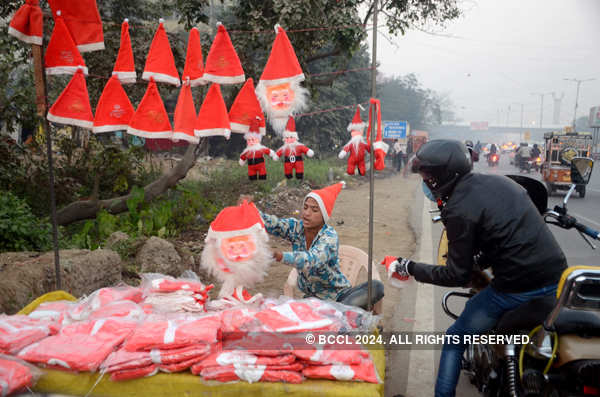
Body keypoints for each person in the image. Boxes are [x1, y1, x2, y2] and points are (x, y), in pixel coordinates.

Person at [384, 140, 567, 397]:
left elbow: (456, 275)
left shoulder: (458, 209)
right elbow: (502, 236)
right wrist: (479, 261)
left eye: (427, 176)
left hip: (517, 288)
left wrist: (410, 267)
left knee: (454, 339)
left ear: (442, 176)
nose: (425, 182)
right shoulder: (501, 182)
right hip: (558, 278)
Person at [249, 183, 384, 311]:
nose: (306, 213)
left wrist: (280, 256)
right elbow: (273, 223)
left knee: (376, 287)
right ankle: (341, 316)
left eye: (314, 210)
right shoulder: (296, 228)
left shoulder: (329, 237)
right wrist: (249, 210)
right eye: (305, 207)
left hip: (340, 297)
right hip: (313, 301)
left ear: (324, 216)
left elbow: (311, 260)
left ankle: (341, 313)